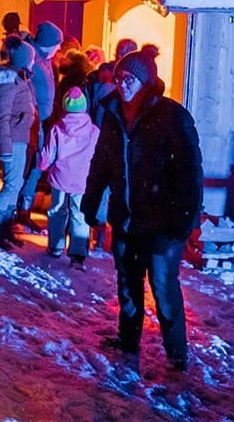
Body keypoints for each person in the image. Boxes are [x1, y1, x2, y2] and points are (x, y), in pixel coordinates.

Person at [81, 51, 203, 372]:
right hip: (127, 217)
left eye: (129, 79)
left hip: (163, 222)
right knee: (128, 282)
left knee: (163, 286)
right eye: (118, 79)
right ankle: (128, 339)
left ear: (146, 81)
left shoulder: (171, 116)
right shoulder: (112, 114)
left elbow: (190, 172)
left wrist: (185, 219)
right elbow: (101, 163)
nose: (122, 85)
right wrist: (91, 201)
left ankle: (176, 353)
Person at [0, 39, 37, 250]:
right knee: (11, 185)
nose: (33, 63)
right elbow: (2, 116)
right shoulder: (9, 82)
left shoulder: (20, 79)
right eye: (31, 60)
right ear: (23, 60)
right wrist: (5, 148)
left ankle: (5, 227)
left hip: (20, 137)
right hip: (12, 140)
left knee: (16, 183)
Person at [36, 87, 99, 267]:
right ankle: (78, 253)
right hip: (82, 180)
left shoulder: (57, 128)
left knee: (57, 210)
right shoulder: (94, 131)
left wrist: (41, 164)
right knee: (80, 214)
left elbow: (47, 155)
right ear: (84, 106)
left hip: (60, 178)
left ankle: (55, 246)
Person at [15, 20, 64, 231]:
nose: (59, 48)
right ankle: (15, 211)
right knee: (28, 166)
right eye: (57, 44)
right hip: (32, 123)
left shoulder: (44, 59)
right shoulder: (32, 58)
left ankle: (24, 210)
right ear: (48, 43)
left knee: (37, 165)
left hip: (43, 122)